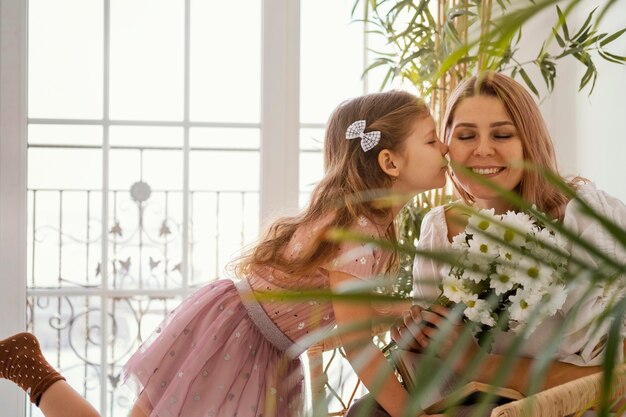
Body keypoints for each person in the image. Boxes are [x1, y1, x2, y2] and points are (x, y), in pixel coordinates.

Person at [0, 89, 449, 417]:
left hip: (262, 345)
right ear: (390, 162)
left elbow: (332, 318)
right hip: (238, 340)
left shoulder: (367, 227)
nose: (445, 147)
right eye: (432, 140)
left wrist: (396, 312)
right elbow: (355, 342)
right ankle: (34, 372)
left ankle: (33, 371)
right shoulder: (358, 232)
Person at [347, 71, 626, 416]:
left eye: (503, 134)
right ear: (445, 146)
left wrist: (476, 362)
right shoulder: (439, 229)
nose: (483, 149)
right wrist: (419, 336)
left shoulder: (582, 218)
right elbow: (437, 362)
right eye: (465, 135)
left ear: (529, 142)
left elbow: (616, 378)